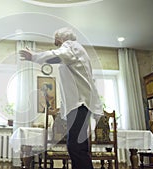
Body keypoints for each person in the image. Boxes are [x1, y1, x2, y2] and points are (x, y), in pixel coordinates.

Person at [19, 27, 103, 169]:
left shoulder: (71, 46)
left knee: (76, 147)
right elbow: (58, 58)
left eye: (56, 40)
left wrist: (34, 56)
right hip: (79, 105)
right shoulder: (73, 51)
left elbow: (57, 55)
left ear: (60, 38)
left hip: (80, 104)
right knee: (77, 147)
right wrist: (36, 58)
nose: (55, 43)